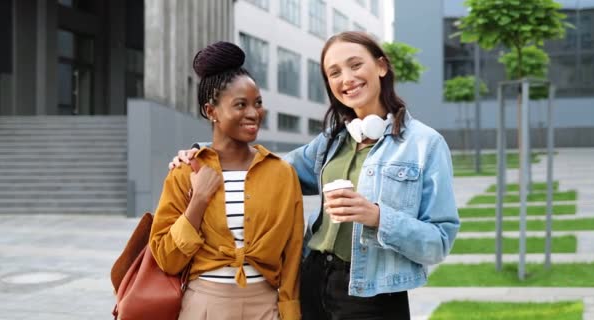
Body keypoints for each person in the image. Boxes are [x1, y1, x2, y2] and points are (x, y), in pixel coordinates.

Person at [169, 32, 460, 320]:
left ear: (381, 66)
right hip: (313, 280)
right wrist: (204, 152)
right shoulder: (332, 141)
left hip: (372, 295)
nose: (346, 78)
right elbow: (268, 168)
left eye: (355, 65)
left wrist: (377, 217)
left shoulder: (425, 144)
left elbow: (438, 242)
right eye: (334, 72)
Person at [150, 41, 303, 320]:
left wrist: (290, 312)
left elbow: (292, 253)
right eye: (240, 105)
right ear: (212, 112)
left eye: (257, 103)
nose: (253, 113)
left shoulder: (282, 173)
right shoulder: (185, 171)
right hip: (205, 306)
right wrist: (198, 200)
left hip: (266, 306)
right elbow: (166, 258)